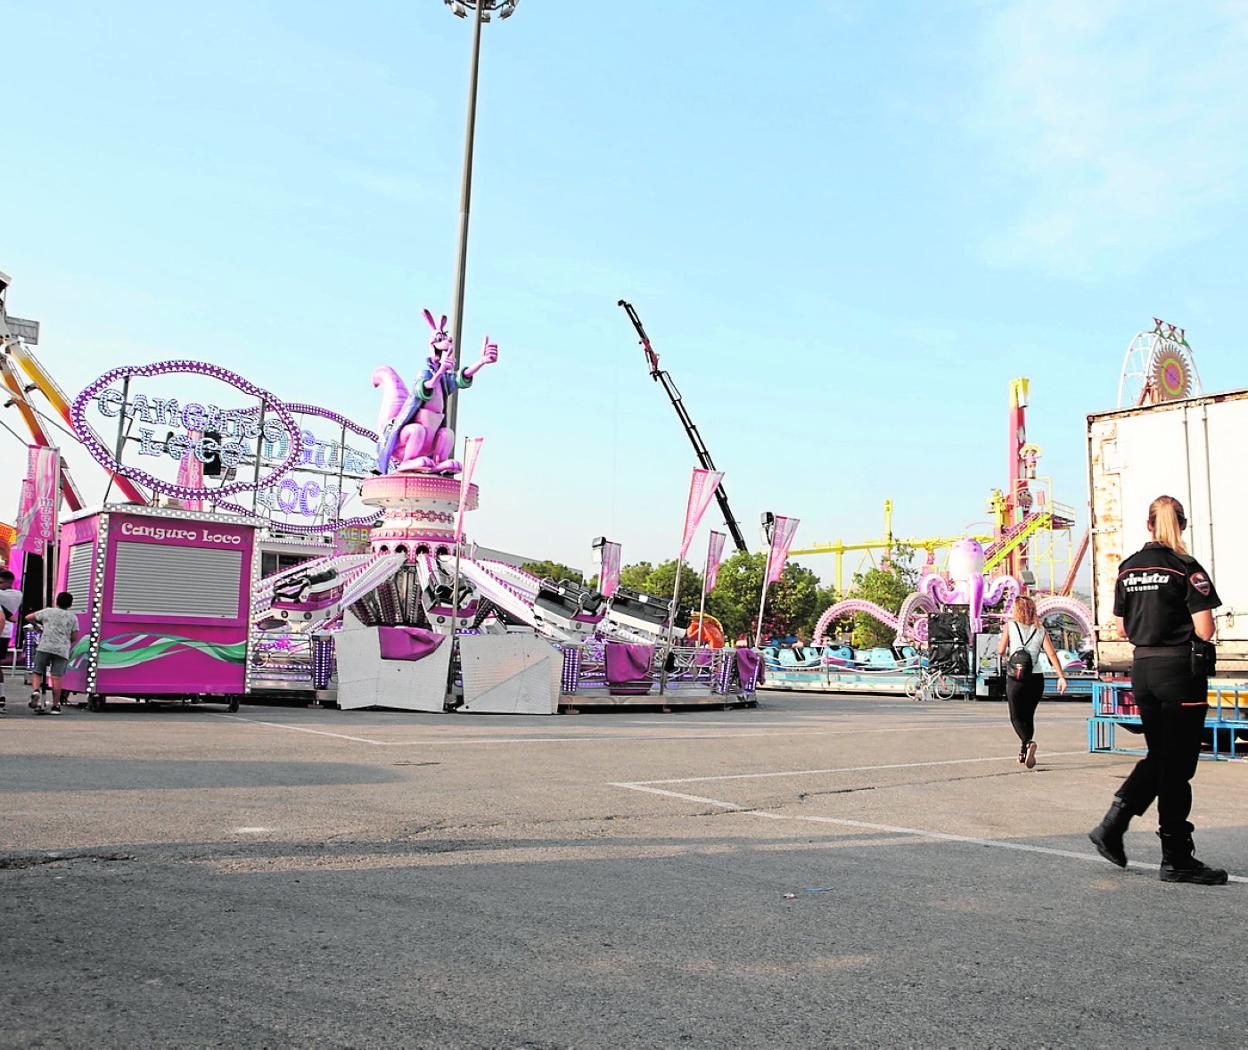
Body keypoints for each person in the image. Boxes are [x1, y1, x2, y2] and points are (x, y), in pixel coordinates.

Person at [1088, 495, 1227, 885]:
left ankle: (1117, 825)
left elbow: (1121, 630)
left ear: (1148, 525)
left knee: (1162, 756)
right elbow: (1205, 630)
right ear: (1181, 525)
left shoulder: (1128, 567)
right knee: (1178, 766)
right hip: (1178, 670)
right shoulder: (1186, 567)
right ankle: (1172, 854)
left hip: (1143, 668)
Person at [996, 595, 1067, 768]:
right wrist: (1061, 676)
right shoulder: (1040, 629)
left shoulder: (1010, 626)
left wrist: (1009, 659)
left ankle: (1028, 743)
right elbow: (1051, 654)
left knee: (1015, 716)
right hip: (1036, 678)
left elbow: (1000, 650)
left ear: (1017, 610)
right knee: (1028, 716)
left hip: (1017, 677)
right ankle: (1023, 752)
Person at [25, 591, 78, 716]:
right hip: (62, 649)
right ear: (70, 604)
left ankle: (36, 690)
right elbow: (75, 636)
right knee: (56, 677)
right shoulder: (72, 617)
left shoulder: (48, 611)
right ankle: (55, 705)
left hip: (45, 646)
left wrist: (38, 626)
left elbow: (28, 617)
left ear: (56, 601)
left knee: (37, 671)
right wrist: (65, 640)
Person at [0, 569, 23, 716]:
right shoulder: (18, 595)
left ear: (9, 582)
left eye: (1, 582)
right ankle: (1, 696)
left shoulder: (8, 595)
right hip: (6, 633)